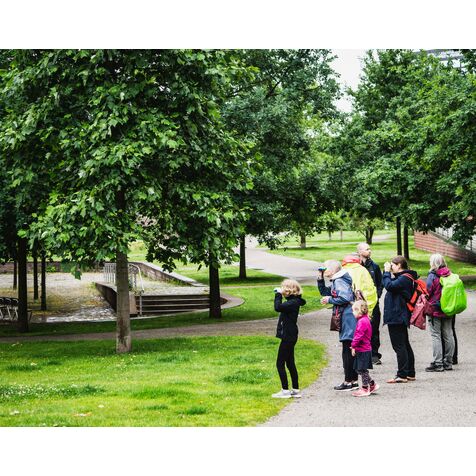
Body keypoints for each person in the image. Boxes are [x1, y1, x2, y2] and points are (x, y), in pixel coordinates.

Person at [317, 259, 358, 391]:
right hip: (346, 317)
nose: (323, 270)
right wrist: (320, 278)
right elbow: (324, 291)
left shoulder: (339, 281)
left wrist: (329, 300)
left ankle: (349, 381)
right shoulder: (338, 280)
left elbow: (345, 298)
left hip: (347, 318)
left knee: (347, 349)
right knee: (348, 348)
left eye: (325, 268)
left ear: (333, 270)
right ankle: (353, 380)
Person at [382, 255, 416, 383]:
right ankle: (410, 373)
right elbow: (389, 284)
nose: (391, 267)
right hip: (399, 314)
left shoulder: (404, 279)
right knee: (405, 344)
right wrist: (388, 273)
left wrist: (386, 272)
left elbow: (389, 286)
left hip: (397, 315)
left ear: (399, 265)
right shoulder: (405, 277)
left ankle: (402, 375)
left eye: (393, 265)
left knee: (399, 346)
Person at [272, 279, 306, 398]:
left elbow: (278, 307)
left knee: (280, 363)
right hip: (290, 335)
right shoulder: (293, 301)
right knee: (290, 362)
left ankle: (285, 390)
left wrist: (278, 295)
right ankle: (295, 389)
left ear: (288, 290)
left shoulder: (292, 303)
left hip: (288, 336)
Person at [425, 253, 456, 371]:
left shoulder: (432, 276)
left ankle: (438, 363)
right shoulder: (450, 274)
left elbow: (428, 291)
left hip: (435, 310)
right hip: (448, 308)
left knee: (436, 335)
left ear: (433, 263)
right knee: (448, 334)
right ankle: (448, 362)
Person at [357, 242, 384, 365]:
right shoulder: (356, 267)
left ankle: (374, 354)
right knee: (360, 329)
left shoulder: (375, 267)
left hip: (373, 303)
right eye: (367, 249)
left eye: (370, 249)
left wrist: (377, 295)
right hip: (359, 304)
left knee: (374, 329)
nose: (370, 251)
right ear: (359, 251)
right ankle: (361, 353)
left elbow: (380, 283)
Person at [350, 300, 379, 397]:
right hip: (362, 348)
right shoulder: (364, 320)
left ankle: (365, 388)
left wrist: (353, 345)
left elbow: (359, 335)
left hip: (363, 349)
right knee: (360, 369)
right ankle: (372, 384)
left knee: (362, 370)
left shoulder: (362, 321)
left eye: (354, 310)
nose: (352, 313)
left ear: (359, 310)